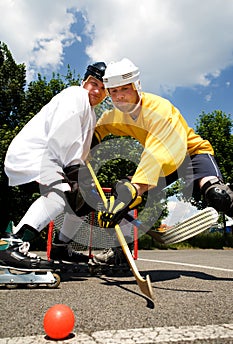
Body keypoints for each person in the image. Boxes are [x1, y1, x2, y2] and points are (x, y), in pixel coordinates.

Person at [92, 57, 233, 264]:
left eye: (125, 89)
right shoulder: (116, 116)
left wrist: (136, 188)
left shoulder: (159, 109)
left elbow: (161, 152)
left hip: (191, 153)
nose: (120, 96)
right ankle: (120, 252)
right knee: (121, 188)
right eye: (114, 92)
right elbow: (97, 131)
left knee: (218, 195)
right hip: (162, 162)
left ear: (137, 86)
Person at [0, 62, 107, 270]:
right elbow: (62, 135)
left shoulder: (91, 113)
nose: (97, 91)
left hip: (52, 159)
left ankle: (61, 246)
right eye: (94, 83)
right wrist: (74, 171)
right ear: (84, 82)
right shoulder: (75, 95)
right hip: (34, 155)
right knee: (59, 194)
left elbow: (80, 153)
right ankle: (11, 244)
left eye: (103, 89)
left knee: (84, 200)